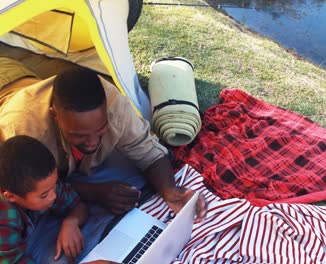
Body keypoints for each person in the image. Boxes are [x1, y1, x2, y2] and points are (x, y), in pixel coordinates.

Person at [0, 57, 206, 262]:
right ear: (56, 116)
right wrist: (96, 192)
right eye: (79, 135)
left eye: (100, 130)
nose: (91, 143)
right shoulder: (20, 131)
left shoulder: (113, 103)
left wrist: (170, 191)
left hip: (22, 75)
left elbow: (146, 149)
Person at [0, 135, 88, 263]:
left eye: (55, 185)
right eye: (44, 195)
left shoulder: (43, 184)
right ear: (11, 197)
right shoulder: (4, 219)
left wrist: (71, 222)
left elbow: (78, 204)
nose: (54, 196)